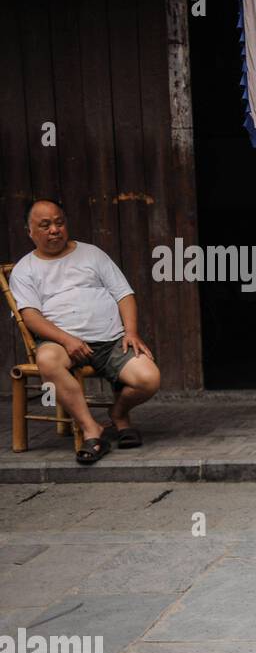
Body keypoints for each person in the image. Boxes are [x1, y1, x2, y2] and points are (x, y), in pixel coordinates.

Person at [9, 199, 161, 464]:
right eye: (45, 225)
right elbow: (30, 316)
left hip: (111, 340)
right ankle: (92, 429)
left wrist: (132, 332)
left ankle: (119, 413)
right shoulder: (25, 269)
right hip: (60, 343)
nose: (54, 230)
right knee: (47, 360)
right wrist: (67, 340)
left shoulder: (92, 254)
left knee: (149, 378)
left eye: (59, 222)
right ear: (29, 232)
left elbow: (124, 294)